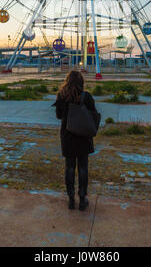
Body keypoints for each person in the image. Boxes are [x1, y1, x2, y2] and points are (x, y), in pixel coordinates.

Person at [53, 70, 100, 211]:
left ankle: (71, 199)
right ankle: (82, 197)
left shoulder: (62, 96)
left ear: (67, 81)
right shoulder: (87, 96)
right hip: (83, 135)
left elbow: (58, 116)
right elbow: (93, 114)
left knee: (69, 167)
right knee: (83, 167)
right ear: (81, 82)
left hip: (68, 135)